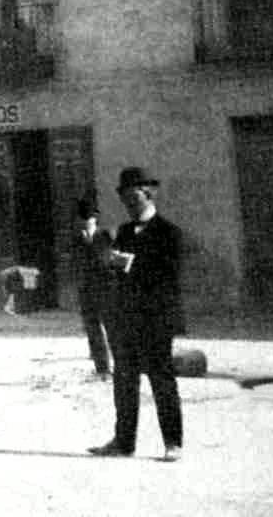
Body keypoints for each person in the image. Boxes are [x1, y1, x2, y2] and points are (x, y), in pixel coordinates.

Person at [89, 167, 185, 462]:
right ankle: (123, 441)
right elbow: (114, 272)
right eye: (124, 198)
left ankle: (173, 442)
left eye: (134, 197)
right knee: (125, 379)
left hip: (156, 318)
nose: (129, 203)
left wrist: (133, 265)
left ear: (149, 194)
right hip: (127, 318)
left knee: (161, 379)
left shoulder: (169, 232)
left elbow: (170, 275)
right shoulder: (125, 232)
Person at [73, 197, 115, 378]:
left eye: (88, 218)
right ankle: (102, 368)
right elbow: (76, 264)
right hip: (86, 290)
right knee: (92, 329)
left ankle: (123, 365)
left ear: (95, 219)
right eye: (83, 218)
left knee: (112, 328)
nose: (85, 222)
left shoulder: (105, 235)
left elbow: (114, 261)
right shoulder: (76, 239)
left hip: (104, 288)